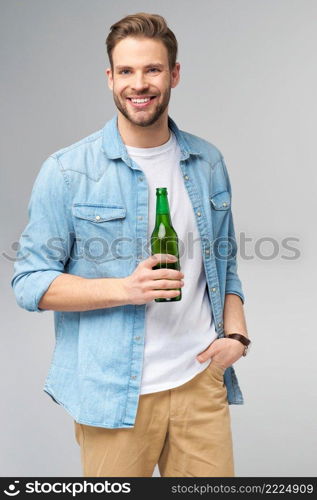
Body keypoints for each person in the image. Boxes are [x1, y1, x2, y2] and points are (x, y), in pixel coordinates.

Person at [11, 12, 250, 477]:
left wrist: (237, 336)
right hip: (112, 394)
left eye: (152, 69)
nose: (138, 84)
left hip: (199, 383)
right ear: (110, 78)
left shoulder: (207, 162)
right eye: (126, 71)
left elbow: (226, 266)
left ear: (174, 74)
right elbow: (29, 283)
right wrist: (126, 288)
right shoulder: (67, 171)